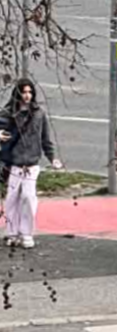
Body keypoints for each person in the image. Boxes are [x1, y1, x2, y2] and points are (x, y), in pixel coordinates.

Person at [0, 81, 60, 248]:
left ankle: (26, 233)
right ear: (17, 94)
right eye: (24, 92)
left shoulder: (39, 114)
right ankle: (12, 232)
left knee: (28, 197)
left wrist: (52, 157)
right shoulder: (8, 113)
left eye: (30, 92)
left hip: (31, 164)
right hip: (14, 164)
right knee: (12, 199)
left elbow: (45, 139)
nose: (27, 95)